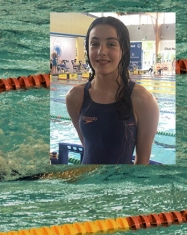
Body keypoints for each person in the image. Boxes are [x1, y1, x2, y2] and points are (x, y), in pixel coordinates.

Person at [65, 16, 159, 164]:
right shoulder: (75, 97)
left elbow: (142, 162)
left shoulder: (142, 99)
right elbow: (88, 147)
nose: (101, 51)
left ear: (123, 49)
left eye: (111, 44)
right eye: (94, 44)